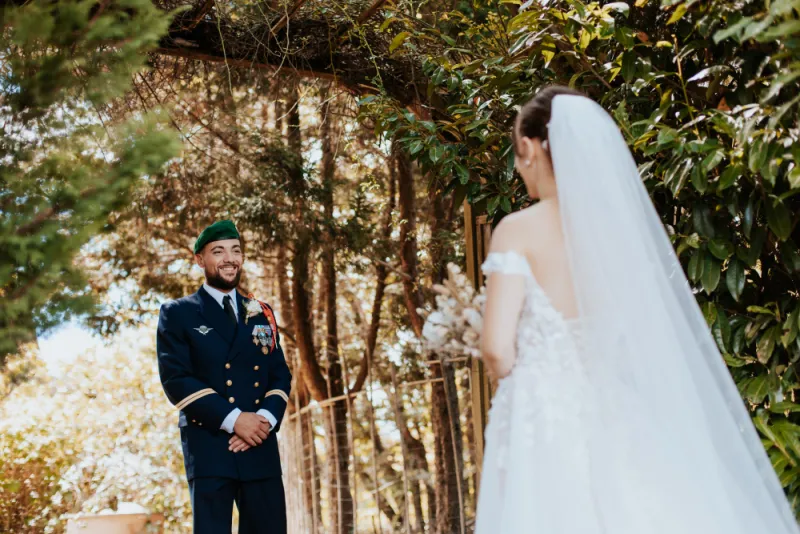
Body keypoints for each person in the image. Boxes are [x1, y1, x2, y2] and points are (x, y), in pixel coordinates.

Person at [476, 86, 799, 533]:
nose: (516, 166)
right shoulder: (616, 235)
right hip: (617, 411)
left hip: (544, 421)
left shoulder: (516, 230)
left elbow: (496, 349)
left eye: (516, 152)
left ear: (530, 148)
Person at [156, 220, 291, 534]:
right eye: (218, 251)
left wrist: (262, 422)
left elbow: (279, 375)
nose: (230, 258)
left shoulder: (261, 312)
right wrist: (235, 420)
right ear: (200, 260)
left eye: (236, 250)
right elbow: (177, 379)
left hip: (259, 442)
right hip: (210, 445)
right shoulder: (178, 313)